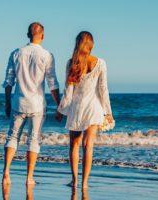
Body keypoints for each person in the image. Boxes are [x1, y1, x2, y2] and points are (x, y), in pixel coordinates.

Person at [2, 22, 61, 185]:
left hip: (18, 103)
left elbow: (8, 82)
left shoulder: (16, 53)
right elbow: (52, 83)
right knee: (33, 140)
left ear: (28, 35)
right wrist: (60, 106)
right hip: (37, 104)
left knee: (12, 137)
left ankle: (6, 173)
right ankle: (29, 178)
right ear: (42, 35)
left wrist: (7, 103)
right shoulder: (47, 55)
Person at [56, 31, 114, 189]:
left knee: (74, 145)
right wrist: (108, 112)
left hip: (77, 109)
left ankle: (74, 181)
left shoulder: (71, 63)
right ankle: (85, 183)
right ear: (92, 45)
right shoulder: (101, 63)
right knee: (88, 146)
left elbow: (68, 92)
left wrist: (60, 110)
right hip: (94, 108)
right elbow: (103, 89)